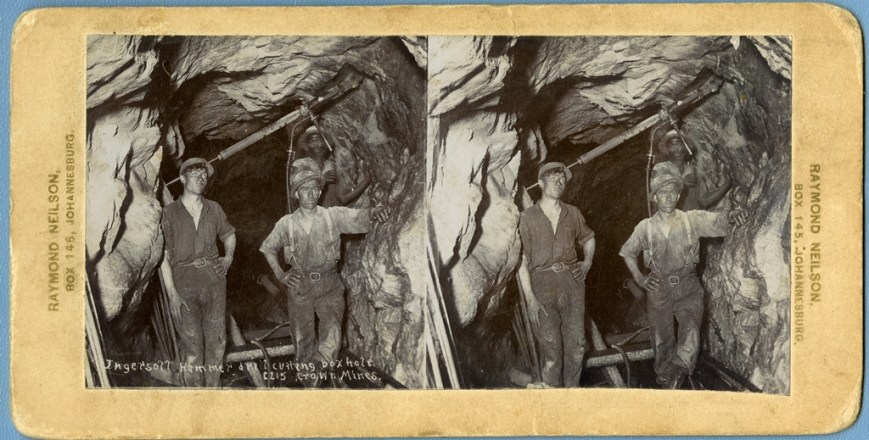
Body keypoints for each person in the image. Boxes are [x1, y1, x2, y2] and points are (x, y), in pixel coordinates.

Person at [619, 162, 746, 389]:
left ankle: (680, 368)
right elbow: (628, 253)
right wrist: (640, 279)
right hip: (659, 288)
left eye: (672, 192)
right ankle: (666, 379)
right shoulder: (644, 227)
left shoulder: (691, 219)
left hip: (688, 285)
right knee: (662, 339)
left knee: (690, 329)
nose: (667, 197)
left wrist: (732, 215)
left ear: (678, 195)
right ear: (655, 198)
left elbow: (718, 221)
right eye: (662, 193)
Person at [259, 168, 388, 387]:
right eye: (304, 189)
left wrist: (375, 211)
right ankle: (310, 384)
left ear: (320, 192)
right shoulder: (286, 224)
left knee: (332, 330)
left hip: (329, 283)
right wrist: (280, 275)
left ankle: (320, 364)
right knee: (302, 339)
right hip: (300, 286)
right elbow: (268, 248)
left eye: (314, 189)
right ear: (297, 194)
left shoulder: (332, 216)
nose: (310, 193)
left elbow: (360, 216)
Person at [517, 162, 596, 388]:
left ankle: (571, 394)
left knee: (577, 346)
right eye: (553, 178)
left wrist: (587, 261)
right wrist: (530, 297)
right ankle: (553, 398)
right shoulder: (527, 217)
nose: (559, 183)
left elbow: (588, 238)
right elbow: (522, 259)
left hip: (571, 281)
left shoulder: (573, 213)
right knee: (551, 349)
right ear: (541, 183)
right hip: (541, 282)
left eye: (562, 179)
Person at [160, 158, 236, 387]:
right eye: (196, 175)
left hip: (213, 279)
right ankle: (195, 396)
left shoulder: (214, 208)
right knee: (193, 346)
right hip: (183, 280)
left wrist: (229, 256)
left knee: (218, 341)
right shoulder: (169, 213)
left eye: (204, 176)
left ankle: (212, 390)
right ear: (182, 179)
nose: (202, 179)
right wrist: (172, 292)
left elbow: (228, 233)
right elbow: (164, 255)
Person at [657, 129, 731, 210]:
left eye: (679, 144)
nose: (676, 149)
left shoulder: (694, 171)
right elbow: (661, 203)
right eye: (672, 145)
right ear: (667, 148)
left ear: (686, 147)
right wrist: (682, 185)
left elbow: (704, 201)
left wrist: (728, 184)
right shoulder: (662, 169)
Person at [292, 125, 340, 207]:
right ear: (307, 145)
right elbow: (294, 193)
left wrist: (367, 180)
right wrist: (322, 179)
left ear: (325, 143)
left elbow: (341, 196)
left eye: (318, 140)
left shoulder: (331, 165)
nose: (315, 144)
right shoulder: (300, 164)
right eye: (311, 141)